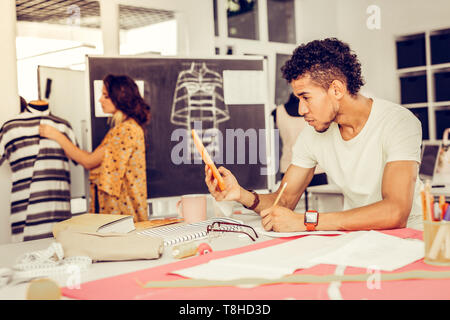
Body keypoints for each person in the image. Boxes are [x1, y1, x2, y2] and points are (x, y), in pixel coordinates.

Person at [205, 38, 423, 232]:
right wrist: (240, 194)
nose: (300, 110)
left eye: (305, 97)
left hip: (409, 236)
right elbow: (284, 201)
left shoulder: (398, 122)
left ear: (336, 90)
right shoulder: (312, 136)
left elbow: (395, 212)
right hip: (358, 237)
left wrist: (308, 221)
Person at [40, 74, 150, 222]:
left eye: (105, 96)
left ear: (119, 97)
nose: (100, 100)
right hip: (121, 215)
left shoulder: (126, 130)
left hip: (123, 216)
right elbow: (96, 159)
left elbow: (89, 161)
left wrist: (56, 135)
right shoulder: (124, 129)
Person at [0, 98, 77, 242]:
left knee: (61, 256)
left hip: (60, 211)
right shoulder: (10, 127)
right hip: (25, 212)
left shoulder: (64, 126)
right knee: (25, 259)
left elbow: (80, 159)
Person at [272, 92, 327, 210]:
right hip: (289, 166)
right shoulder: (277, 112)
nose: (302, 110)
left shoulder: (314, 112)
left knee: (319, 208)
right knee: (287, 205)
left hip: (318, 168)